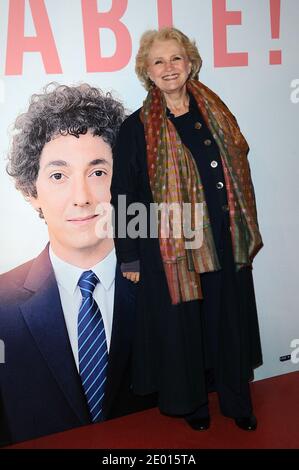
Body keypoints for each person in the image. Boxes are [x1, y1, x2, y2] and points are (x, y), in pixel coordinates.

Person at [111, 27, 263, 432]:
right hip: (172, 245)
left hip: (224, 236)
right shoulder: (136, 127)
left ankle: (237, 402)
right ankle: (194, 404)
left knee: (227, 322)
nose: (169, 68)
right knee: (186, 328)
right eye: (158, 61)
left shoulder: (214, 110)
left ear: (190, 62)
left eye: (175, 58)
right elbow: (124, 193)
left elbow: (236, 167)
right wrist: (129, 254)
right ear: (147, 71)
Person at [0, 83, 156, 446]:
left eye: (98, 172)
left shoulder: (171, 284)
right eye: (58, 175)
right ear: (30, 191)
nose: (83, 197)